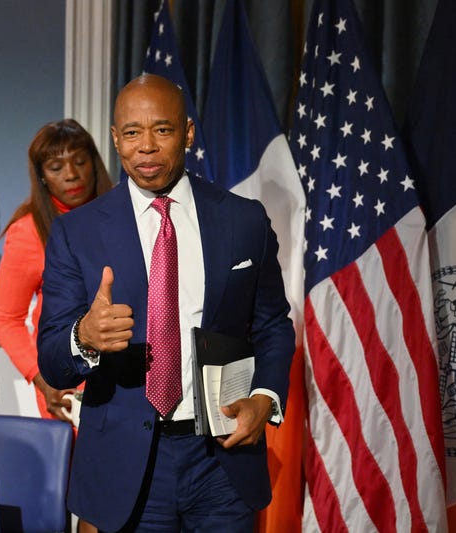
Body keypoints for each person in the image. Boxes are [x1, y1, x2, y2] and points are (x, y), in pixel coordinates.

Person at [37, 74, 295, 531]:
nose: (146, 147)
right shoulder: (76, 234)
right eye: (132, 133)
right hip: (124, 466)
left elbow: (273, 322)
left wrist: (266, 395)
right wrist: (84, 337)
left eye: (163, 129)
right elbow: (54, 361)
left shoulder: (243, 220)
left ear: (189, 133)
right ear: (116, 140)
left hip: (222, 460)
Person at [0, 119, 112, 421]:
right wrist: (41, 376)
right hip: (67, 384)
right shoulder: (29, 229)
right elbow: (5, 317)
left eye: (80, 161)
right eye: (56, 168)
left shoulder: (122, 215)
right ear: (42, 177)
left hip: (127, 377)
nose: (71, 174)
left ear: (94, 164)